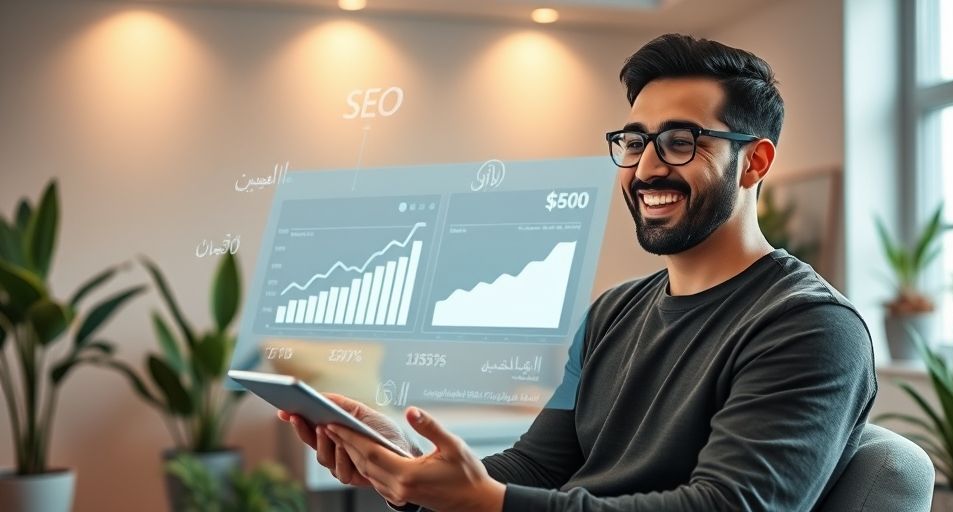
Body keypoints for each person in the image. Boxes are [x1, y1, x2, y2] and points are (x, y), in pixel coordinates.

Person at [278, 33, 876, 512]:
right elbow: (538, 466)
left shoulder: (810, 327)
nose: (645, 169)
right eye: (635, 141)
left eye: (678, 142)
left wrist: (491, 504)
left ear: (754, 162)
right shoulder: (611, 313)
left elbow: (728, 504)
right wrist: (408, 461)